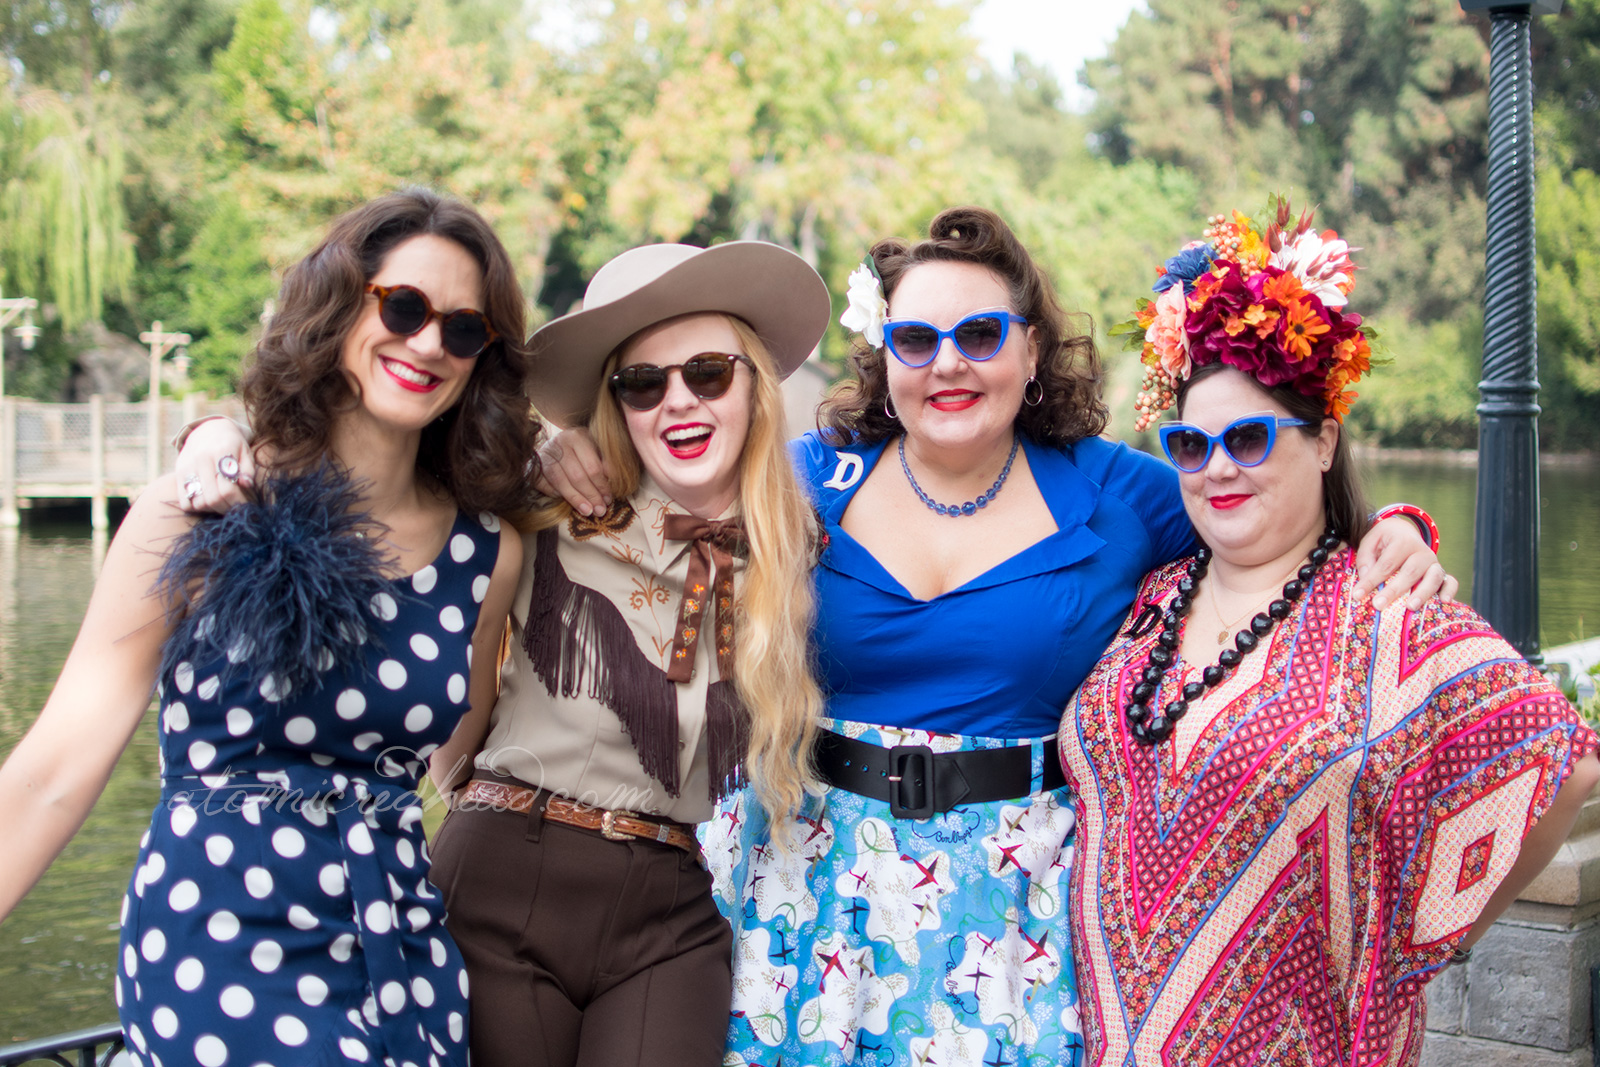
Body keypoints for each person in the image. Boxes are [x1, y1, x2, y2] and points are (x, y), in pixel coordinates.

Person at [537, 206, 1452, 1067]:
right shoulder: (801, 477)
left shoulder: (1117, 491)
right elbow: (655, 458)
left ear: (1031, 352)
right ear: (885, 356)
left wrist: (1395, 526)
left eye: (979, 336)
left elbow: (1265, 511)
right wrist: (561, 444)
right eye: (916, 340)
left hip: (1014, 902)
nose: (948, 365)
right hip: (801, 879)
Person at [176, 239, 832, 1067]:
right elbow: (374, 457)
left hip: (667, 902)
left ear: (753, 385)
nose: (678, 402)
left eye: (707, 372)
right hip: (506, 870)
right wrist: (212, 436)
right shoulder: (544, 505)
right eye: (641, 382)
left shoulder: (800, 547)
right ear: (614, 402)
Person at [1059, 199, 1600, 1066]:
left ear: (1322, 442)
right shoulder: (1152, 597)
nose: (1217, 465)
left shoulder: (1386, 604)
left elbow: (1564, 761)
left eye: (1248, 434)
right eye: (1189, 444)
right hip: (1103, 1035)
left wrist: (1424, 938)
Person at [0, 188, 533, 1067]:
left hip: (399, 950)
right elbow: (52, 773)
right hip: (220, 935)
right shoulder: (199, 511)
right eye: (403, 307)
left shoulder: (490, 554)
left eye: (464, 330)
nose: (430, 342)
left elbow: (450, 768)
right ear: (338, 305)